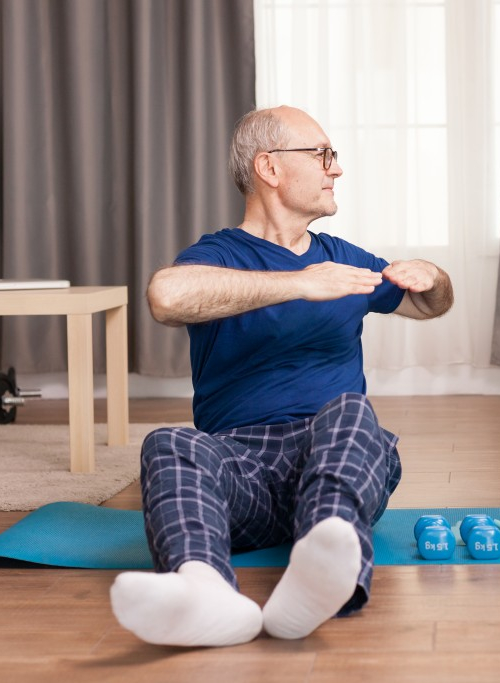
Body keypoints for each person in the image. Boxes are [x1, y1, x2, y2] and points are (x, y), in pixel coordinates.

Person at [109, 105, 453, 647]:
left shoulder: (342, 258)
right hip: (241, 471)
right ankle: (204, 594)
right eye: (322, 155)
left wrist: (431, 276)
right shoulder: (220, 254)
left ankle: (320, 574)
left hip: (337, 456)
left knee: (350, 412)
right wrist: (297, 284)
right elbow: (166, 296)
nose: (334, 168)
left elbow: (431, 306)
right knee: (169, 442)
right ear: (269, 168)